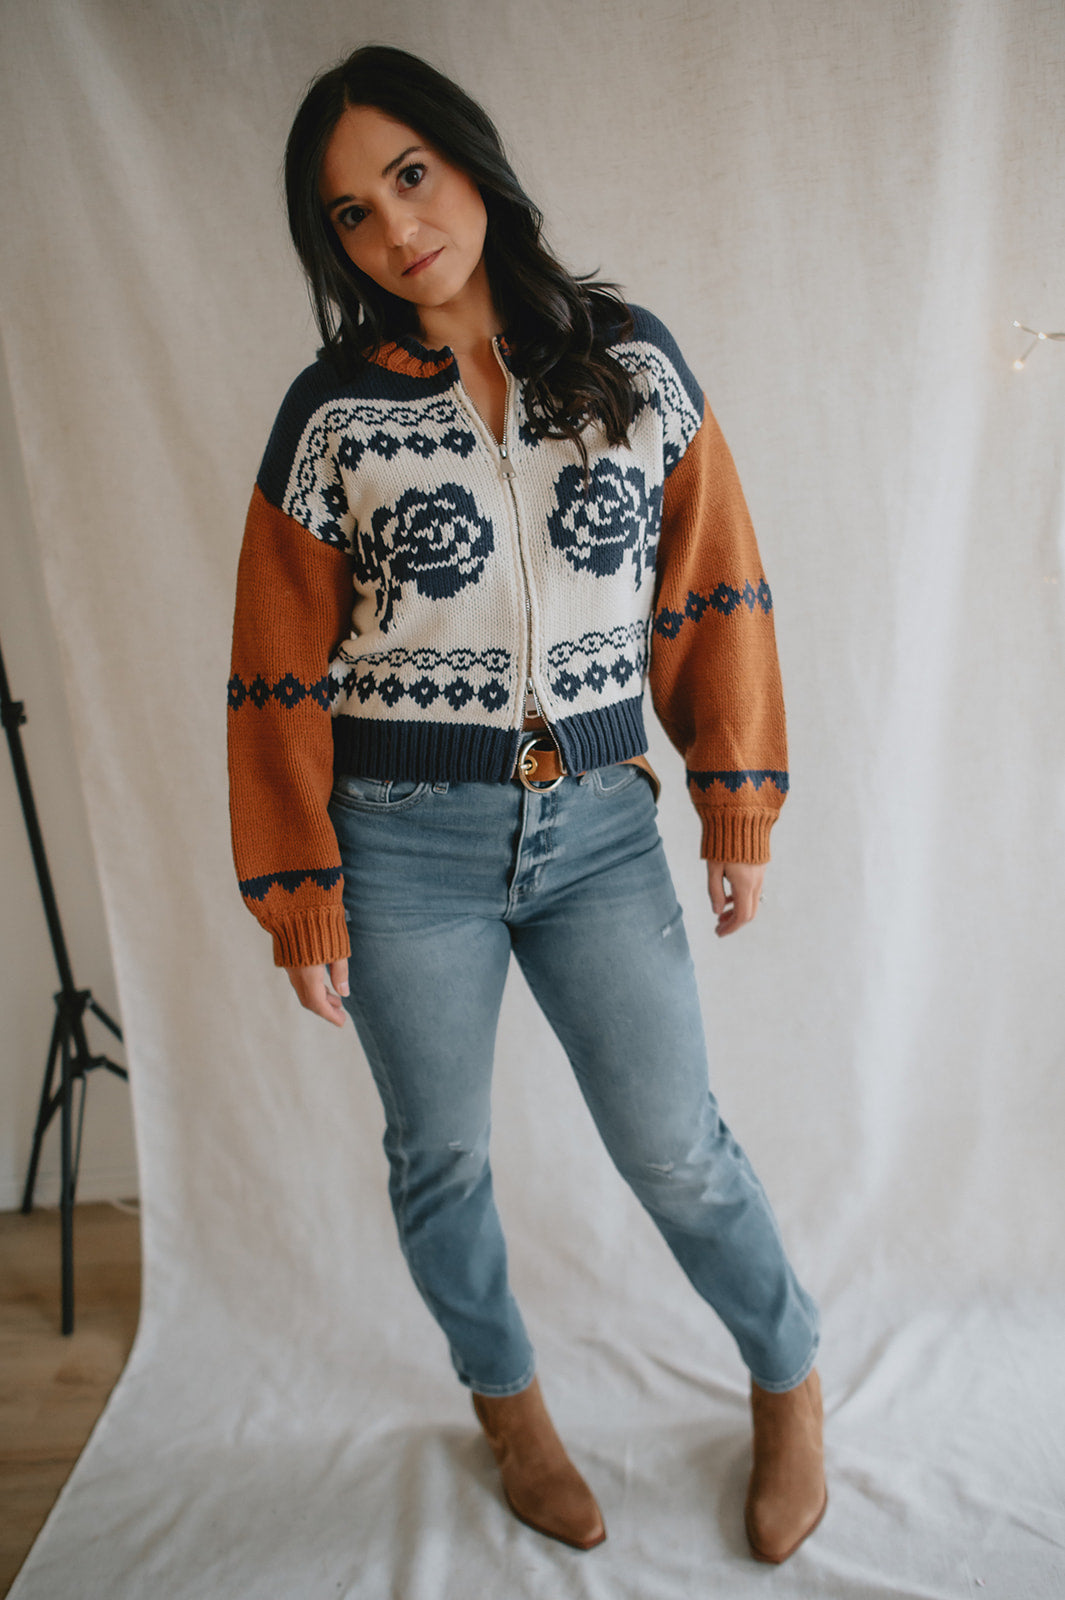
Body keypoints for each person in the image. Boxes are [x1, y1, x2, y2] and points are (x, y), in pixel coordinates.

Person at [227, 44, 826, 1564]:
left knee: (675, 1148)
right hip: (398, 846)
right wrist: (299, 888)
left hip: (601, 838)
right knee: (438, 1158)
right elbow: (274, 670)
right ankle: (510, 1411)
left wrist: (735, 800)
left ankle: (788, 1378)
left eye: (409, 176)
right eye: (352, 214)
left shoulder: (629, 361)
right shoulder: (331, 415)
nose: (396, 228)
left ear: (468, 160)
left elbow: (716, 586)